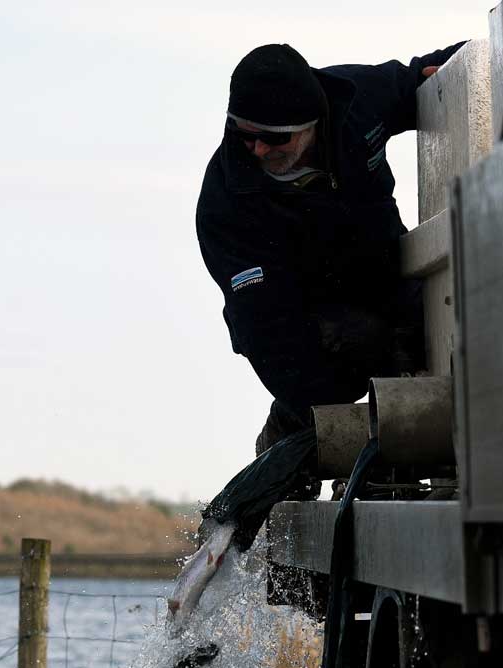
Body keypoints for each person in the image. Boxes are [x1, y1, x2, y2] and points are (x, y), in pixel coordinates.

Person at [196, 41, 464, 454]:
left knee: (433, 327)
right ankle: (285, 431)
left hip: (382, 275)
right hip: (301, 318)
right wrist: (316, 415)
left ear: (312, 124)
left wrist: (489, 51)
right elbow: (264, 326)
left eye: (273, 137)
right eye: (246, 136)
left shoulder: (355, 100)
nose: (260, 150)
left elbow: (418, 76)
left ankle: (399, 467)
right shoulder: (225, 206)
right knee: (356, 355)